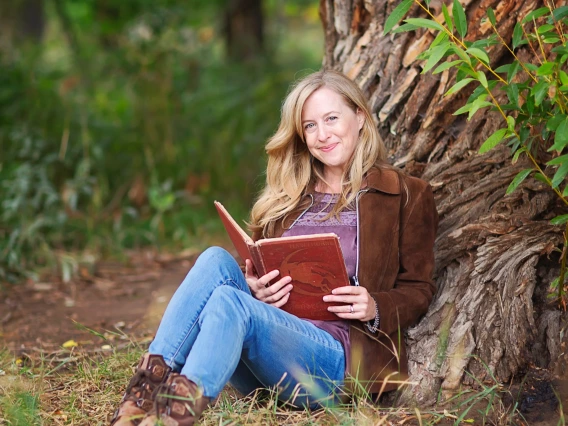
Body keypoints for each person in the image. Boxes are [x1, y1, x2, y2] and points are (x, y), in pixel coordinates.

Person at [109, 69, 438, 426]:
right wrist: (256, 288)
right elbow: (254, 267)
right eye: (310, 126)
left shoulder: (406, 194)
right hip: (264, 355)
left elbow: (419, 289)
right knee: (216, 260)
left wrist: (375, 305)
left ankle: (173, 416)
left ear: (359, 117)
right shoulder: (289, 195)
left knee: (229, 301)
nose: (322, 135)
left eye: (331, 119)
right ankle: (140, 397)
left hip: (336, 360)